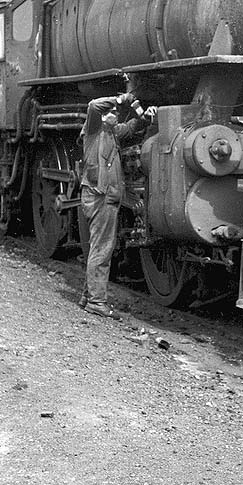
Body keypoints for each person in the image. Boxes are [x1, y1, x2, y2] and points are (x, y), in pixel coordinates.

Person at [77, 92, 155, 318]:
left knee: (100, 249)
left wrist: (144, 118)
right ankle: (96, 301)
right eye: (110, 113)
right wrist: (120, 100)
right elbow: (93, 104)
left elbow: (131, 128)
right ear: (102, 116)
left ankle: (87, 297)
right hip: (99, 197)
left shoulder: (111, 133)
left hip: (107, 197)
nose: (114, 116)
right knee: (101, 250)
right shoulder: (93, 130)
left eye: (116, 113)